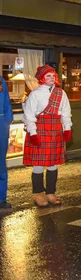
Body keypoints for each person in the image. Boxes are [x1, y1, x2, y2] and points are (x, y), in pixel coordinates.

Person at [23, 65, 72, 207]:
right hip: (40, 129)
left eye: (53, 75)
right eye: (48, 76)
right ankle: (38, 194)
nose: (51, 78)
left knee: (53, 163)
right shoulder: (35, 94)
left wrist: (67, 128)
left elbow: (65, 112)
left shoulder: (61, 93)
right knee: (38, 163)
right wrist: (33, 133)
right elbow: (29, 115)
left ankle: (51, 192)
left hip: (55, 128)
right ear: (41, 78)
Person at [0, 75, 13, 210]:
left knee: (1, 165)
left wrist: (6, 120)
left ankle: (1, 198)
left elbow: (7, 103)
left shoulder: (1, 80)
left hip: (1, 127)